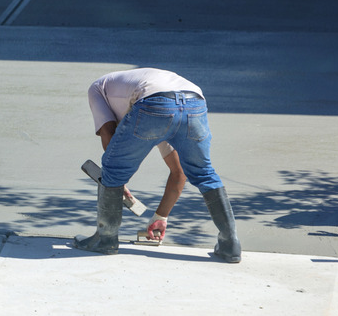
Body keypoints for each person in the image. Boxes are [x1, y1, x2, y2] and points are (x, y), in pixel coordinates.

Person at [74, 68, 241, 263]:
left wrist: (116, 182)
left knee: (112, 169)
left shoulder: (97, 88)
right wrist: (161, 216)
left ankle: (105, 239)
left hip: (153, 103)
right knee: (204, 173)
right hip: (194, 101)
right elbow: (179, 173)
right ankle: (230, 244)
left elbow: (108, 134)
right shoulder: (152, 112)